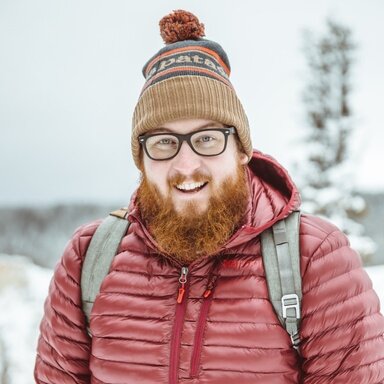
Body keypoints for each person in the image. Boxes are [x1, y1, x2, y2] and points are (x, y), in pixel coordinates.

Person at [34, 10, 384, 384]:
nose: (186, 164)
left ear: (241, 149)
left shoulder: (315, 260)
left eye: (207, 139)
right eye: (164, 142)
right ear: (142, 157)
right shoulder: (89, 259)